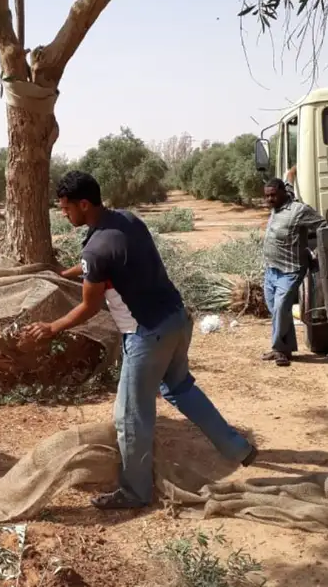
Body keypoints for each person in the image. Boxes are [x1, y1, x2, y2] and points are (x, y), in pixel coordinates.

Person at [24, 170, 257, 510]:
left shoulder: (96, 249)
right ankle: (238, 448)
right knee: (180, 388)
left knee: (130, 417)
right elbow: (100, 265)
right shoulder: (126, 221)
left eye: (65, 207)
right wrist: (65, 274)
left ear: (84, 204)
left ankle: (134, 492)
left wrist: (52, 328)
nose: (64, 214)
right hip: (178, 319)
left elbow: (90, 306)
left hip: (147, 334)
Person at [262, 173, 324, 367]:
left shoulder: (299, 210)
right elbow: (288, 178)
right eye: (266, 196)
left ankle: (279, 350)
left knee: (281, 308)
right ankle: (284, 349)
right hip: (271, 270)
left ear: (282, 193)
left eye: (272, 195)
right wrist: (292, 170)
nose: (269, 199)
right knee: (277, 310)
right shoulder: (277, 205)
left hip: (291, 270)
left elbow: (323, 225)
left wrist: (316, 251)